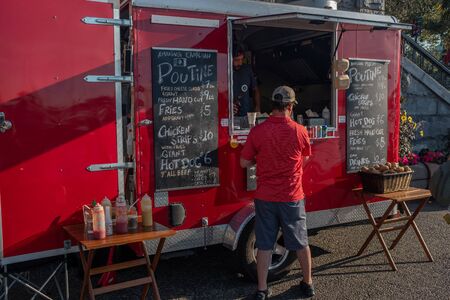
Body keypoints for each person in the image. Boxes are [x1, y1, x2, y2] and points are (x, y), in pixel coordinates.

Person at [240, 86, 314, 299]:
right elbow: (306, 158)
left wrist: (259, 158)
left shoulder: (258, 131)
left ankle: (262, 290)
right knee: (301, 241)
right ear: (290, 107)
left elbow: (244, 162)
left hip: (266, 197)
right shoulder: (300, 131)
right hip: (292, 196)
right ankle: (308, 284)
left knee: (264, 244)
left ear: (272, 106)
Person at [232, 44, 261, 128]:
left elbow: (255, 89)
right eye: (237, 60)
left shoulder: (247, 70)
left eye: (242, 59)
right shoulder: (224, 70)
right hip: (231, 117)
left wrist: (257, 107)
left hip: (247, 115)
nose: (240, 63)